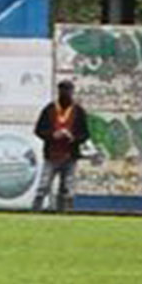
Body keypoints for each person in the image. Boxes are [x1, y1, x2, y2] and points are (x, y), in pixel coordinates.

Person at [32, 80, 89, 214]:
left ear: (72, 92)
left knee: (67, 188)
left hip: (70, 155)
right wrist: (52, 135)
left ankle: (64, 213)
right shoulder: (50, 109)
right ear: (58, 92)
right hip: (52, 155)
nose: (66, 94)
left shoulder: (78, 111)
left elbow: (85, 134)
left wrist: (73, 137)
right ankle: (36, 210)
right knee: (44, 185)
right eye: (63, 91)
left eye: (68, 91)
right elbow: (38, 130)